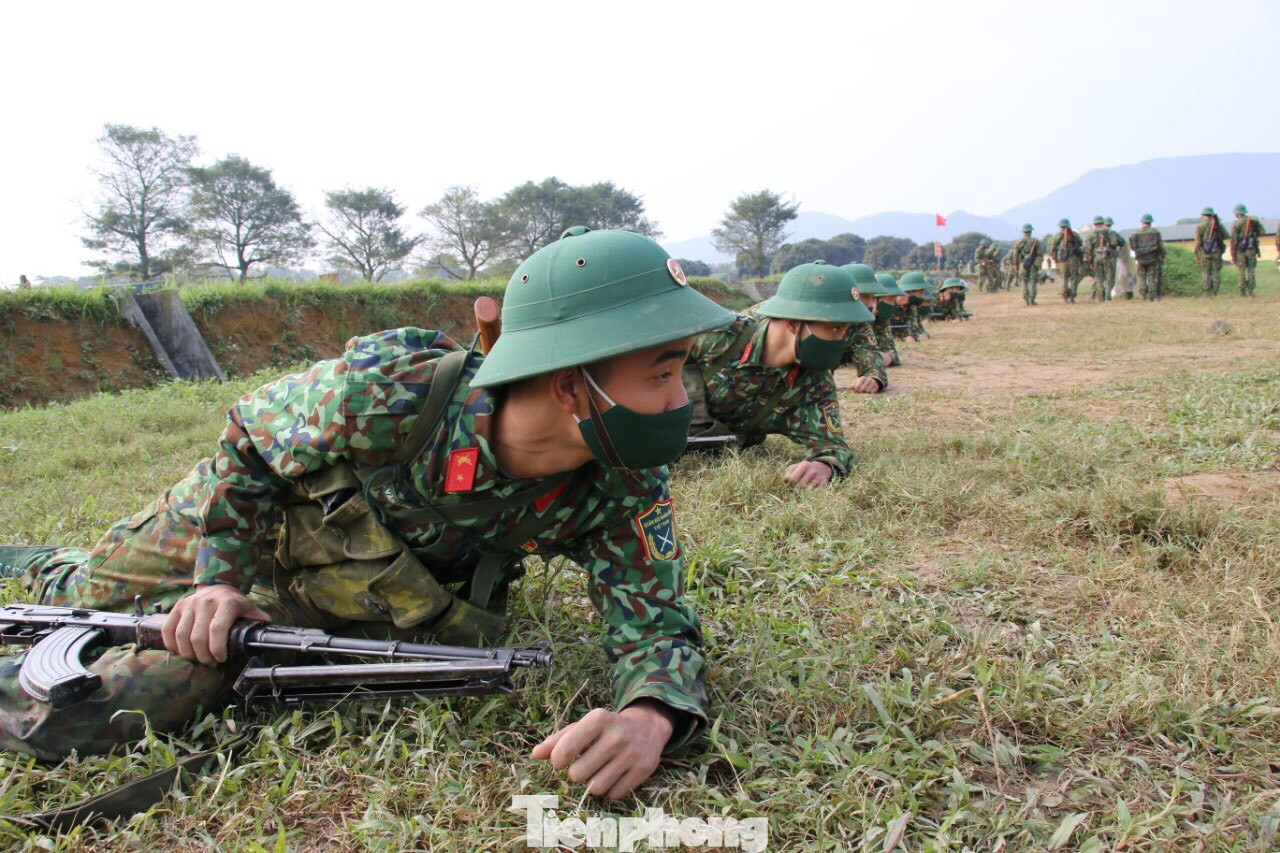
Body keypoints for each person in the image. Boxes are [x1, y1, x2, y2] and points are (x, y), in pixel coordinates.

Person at [0, 227, 737, 800]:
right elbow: (251, 441)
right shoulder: (399, 388)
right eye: (663, 373)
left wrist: (651, 716)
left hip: (336, 583)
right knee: (80, 589)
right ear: (571, 385)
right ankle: (32, 561)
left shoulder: (621, 481)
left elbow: (656, 621)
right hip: (234, 522)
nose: (682, 401)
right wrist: (214, 578)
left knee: (116, 703)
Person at [681, 260, 870, 483]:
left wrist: (823, 466)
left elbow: (832, 446)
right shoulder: (721, 335)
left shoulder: (814, 384)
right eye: (835, 329)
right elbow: (650, 364)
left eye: (846, 331)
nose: (842, 341)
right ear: (792, 323)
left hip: (715, 447)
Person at [1193, 207, 1229, 297]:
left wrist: (1196, 253)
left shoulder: (1200, 226)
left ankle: (1207, 292)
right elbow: (1226, 235)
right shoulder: (1218, 225)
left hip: (1205, 252)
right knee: (1216, 272)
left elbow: (1198, 242)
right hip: (1216, 251)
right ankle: (1215, 292)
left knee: (1206, 272)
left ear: (1202, 215)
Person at [1129, 214, 1166, 301]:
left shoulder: (1136, 233)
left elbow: (1132, 247)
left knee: (1142, 277)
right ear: (1150, 222)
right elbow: (1160, 246)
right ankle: (1152, 296)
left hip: (1140, 259)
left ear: (1142, 222)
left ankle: (1143, 296)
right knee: (1151, 277)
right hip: (1152, 258)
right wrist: (1163, 256)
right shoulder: (1155, 232)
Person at [1230, 203, 1263, 297]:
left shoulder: (1236, 223)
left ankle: (1242, 292)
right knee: (1251, 270)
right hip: (1251, 249)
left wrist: (1233, 254)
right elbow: (1262, 232)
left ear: (1237, 213)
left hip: (1240, 250)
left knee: (1241, 270)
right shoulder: (1253, 222)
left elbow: (1234, 240)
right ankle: (1251, 291)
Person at [1047, 219, 1084, 303]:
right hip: (1073, 258)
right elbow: (1080, 244)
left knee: (1064, 278)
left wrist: (1055, 259)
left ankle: (1065, 297)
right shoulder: (1075, 235)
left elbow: (1053, 249)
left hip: (1063, 259)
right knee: (1074, 278)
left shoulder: (1057, 235)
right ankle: (1072, 296)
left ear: (1060, 226)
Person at [1012, 224, 1043, 305]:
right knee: (1032, 281)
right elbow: (1040, 253)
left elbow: (1015, 254)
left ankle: (1026, 299)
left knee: (1024, 281)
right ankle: (1032, 299)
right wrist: (1038, 263)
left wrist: (1016, 264)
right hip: (1033, 262)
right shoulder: (1035, 241)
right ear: (1031, 231)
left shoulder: (1019, 241)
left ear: (1023, 232)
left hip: (1023, 263)